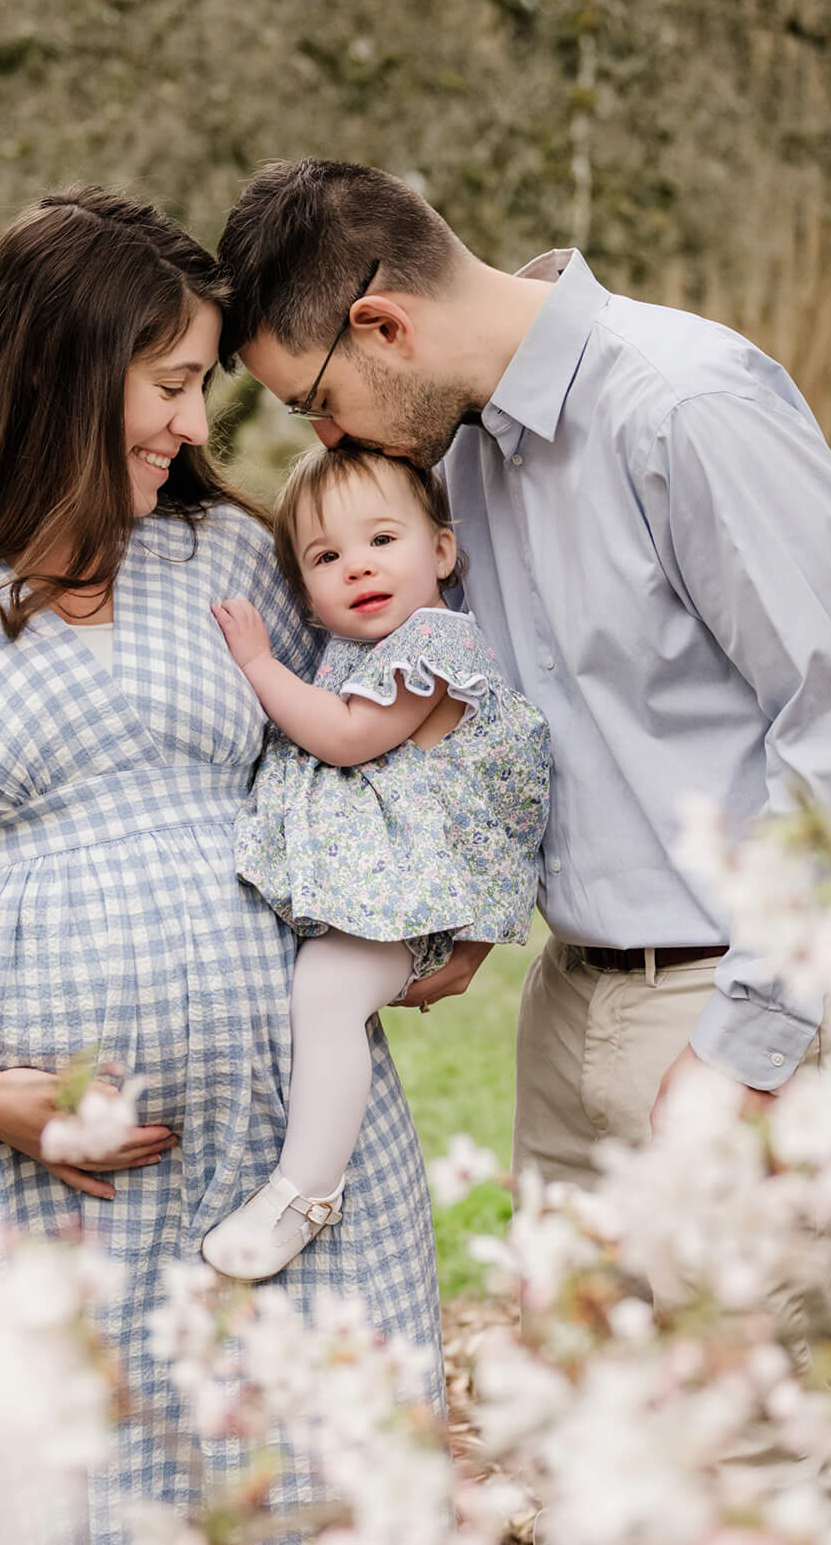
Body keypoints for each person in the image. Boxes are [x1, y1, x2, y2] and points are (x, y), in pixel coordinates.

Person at [0, 187, 442, 1542]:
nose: (196, 422)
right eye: (173, 382)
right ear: (64, 371)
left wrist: (430, 917)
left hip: (288, 1173)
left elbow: (381, 739)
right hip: (37, 1176)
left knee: (328, 1496)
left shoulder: (231, 556)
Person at [214, 160, 831, 1199]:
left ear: (382, 325)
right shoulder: (457, 471)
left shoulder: (684, 405)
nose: (326, 442)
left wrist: (750, 1047)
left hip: (741, 995)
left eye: (317, 401)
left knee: (738, 1362)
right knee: (581, 1360)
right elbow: (493, 725)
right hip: (569, 1000)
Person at [201, 445, 549, 1280]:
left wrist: (257, 664)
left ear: (440, 551)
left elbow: (346, 738)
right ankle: (304, 1178)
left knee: (326, 995)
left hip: (412, 895)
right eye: (326, 556)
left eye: (382, 540)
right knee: (323, 997)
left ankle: (308, 1189)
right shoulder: (363, 650)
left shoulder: (432, 643)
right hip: (386, 888)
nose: (357, 565)